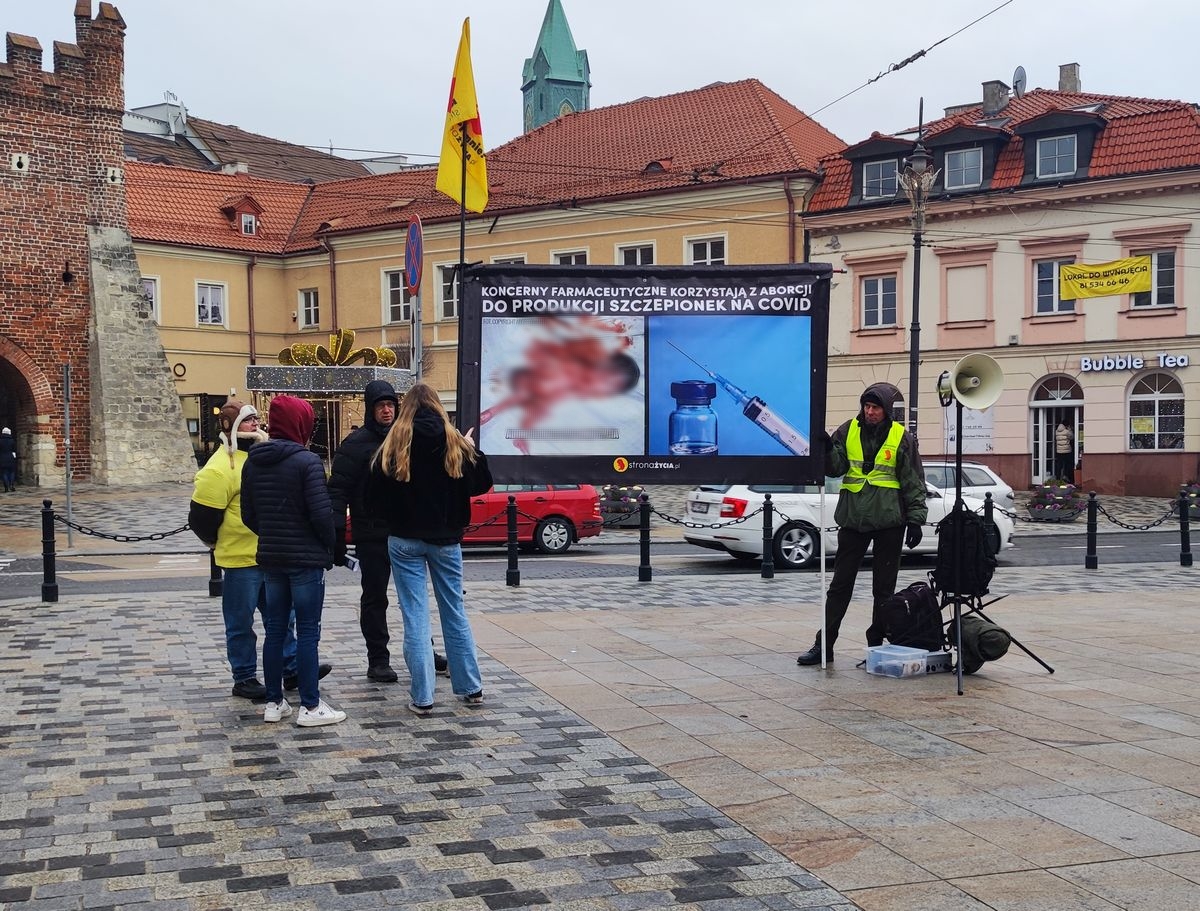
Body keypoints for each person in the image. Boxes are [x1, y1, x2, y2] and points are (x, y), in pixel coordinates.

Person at [364, 383, 492, 716]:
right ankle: (470, 688)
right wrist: (471, 448)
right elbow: (481, 485)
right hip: (446, 539)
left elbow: (372, 498)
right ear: (437, 407)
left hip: (403, 539)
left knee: (415, 617)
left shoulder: (393, 444)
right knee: (454, 612)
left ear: (404, 408)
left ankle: (423, 697)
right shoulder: (454, 443)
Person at [189, 400, 318, 702]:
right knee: (240, 622)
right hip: (239, 560)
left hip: (267, 554)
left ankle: (291, 667)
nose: (256, 425)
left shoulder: (261, 459)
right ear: (231, 428)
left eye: (257, 419)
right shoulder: (219, 469)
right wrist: (218, 543)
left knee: (281, 618)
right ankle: (244, 676)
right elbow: (202, 518)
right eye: (248, 421)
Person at [797, 382, 928, 665]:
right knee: (839, 587)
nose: (869, 412)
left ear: (886, 410)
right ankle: (825, 645)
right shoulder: (848, 430)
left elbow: (914, 482)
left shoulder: (902, 437)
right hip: (853, 520)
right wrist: (826, 447)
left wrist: (916, 520)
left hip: (890, 522)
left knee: (884, 589)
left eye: (875, 408)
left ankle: (876, 644)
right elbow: (836, 469)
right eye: (866, 407)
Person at [327, 380, 449, 682]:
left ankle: (423, 650)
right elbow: (337, 492)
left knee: (414, 596)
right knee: (374, 598)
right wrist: (337, 536)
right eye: (380, 405)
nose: (386, 410)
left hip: (405, 530)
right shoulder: (354, 445)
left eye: (390, 405)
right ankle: (378, 659)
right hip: (371, 534)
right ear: (370, 408)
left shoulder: (407, 437)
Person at [242, 395, 344, 727]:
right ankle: (311, 706)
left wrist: (271, 533)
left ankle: (274, 702)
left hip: (271, 557)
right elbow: (321, 514)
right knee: (308, 631)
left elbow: (248, 515)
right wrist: (329, 547)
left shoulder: (253, 461)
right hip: (305, 559)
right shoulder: (308, 462)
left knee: (274, 630)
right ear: (300, 424)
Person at [0, 427, 15, 492]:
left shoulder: (0, 441)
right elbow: (14, 450)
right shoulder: (12, 441)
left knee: (4, 473)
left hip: (2, 457)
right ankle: (11, 485)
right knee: (12, 472)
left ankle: (6, 487)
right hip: (10, 457)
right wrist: (14, 458)